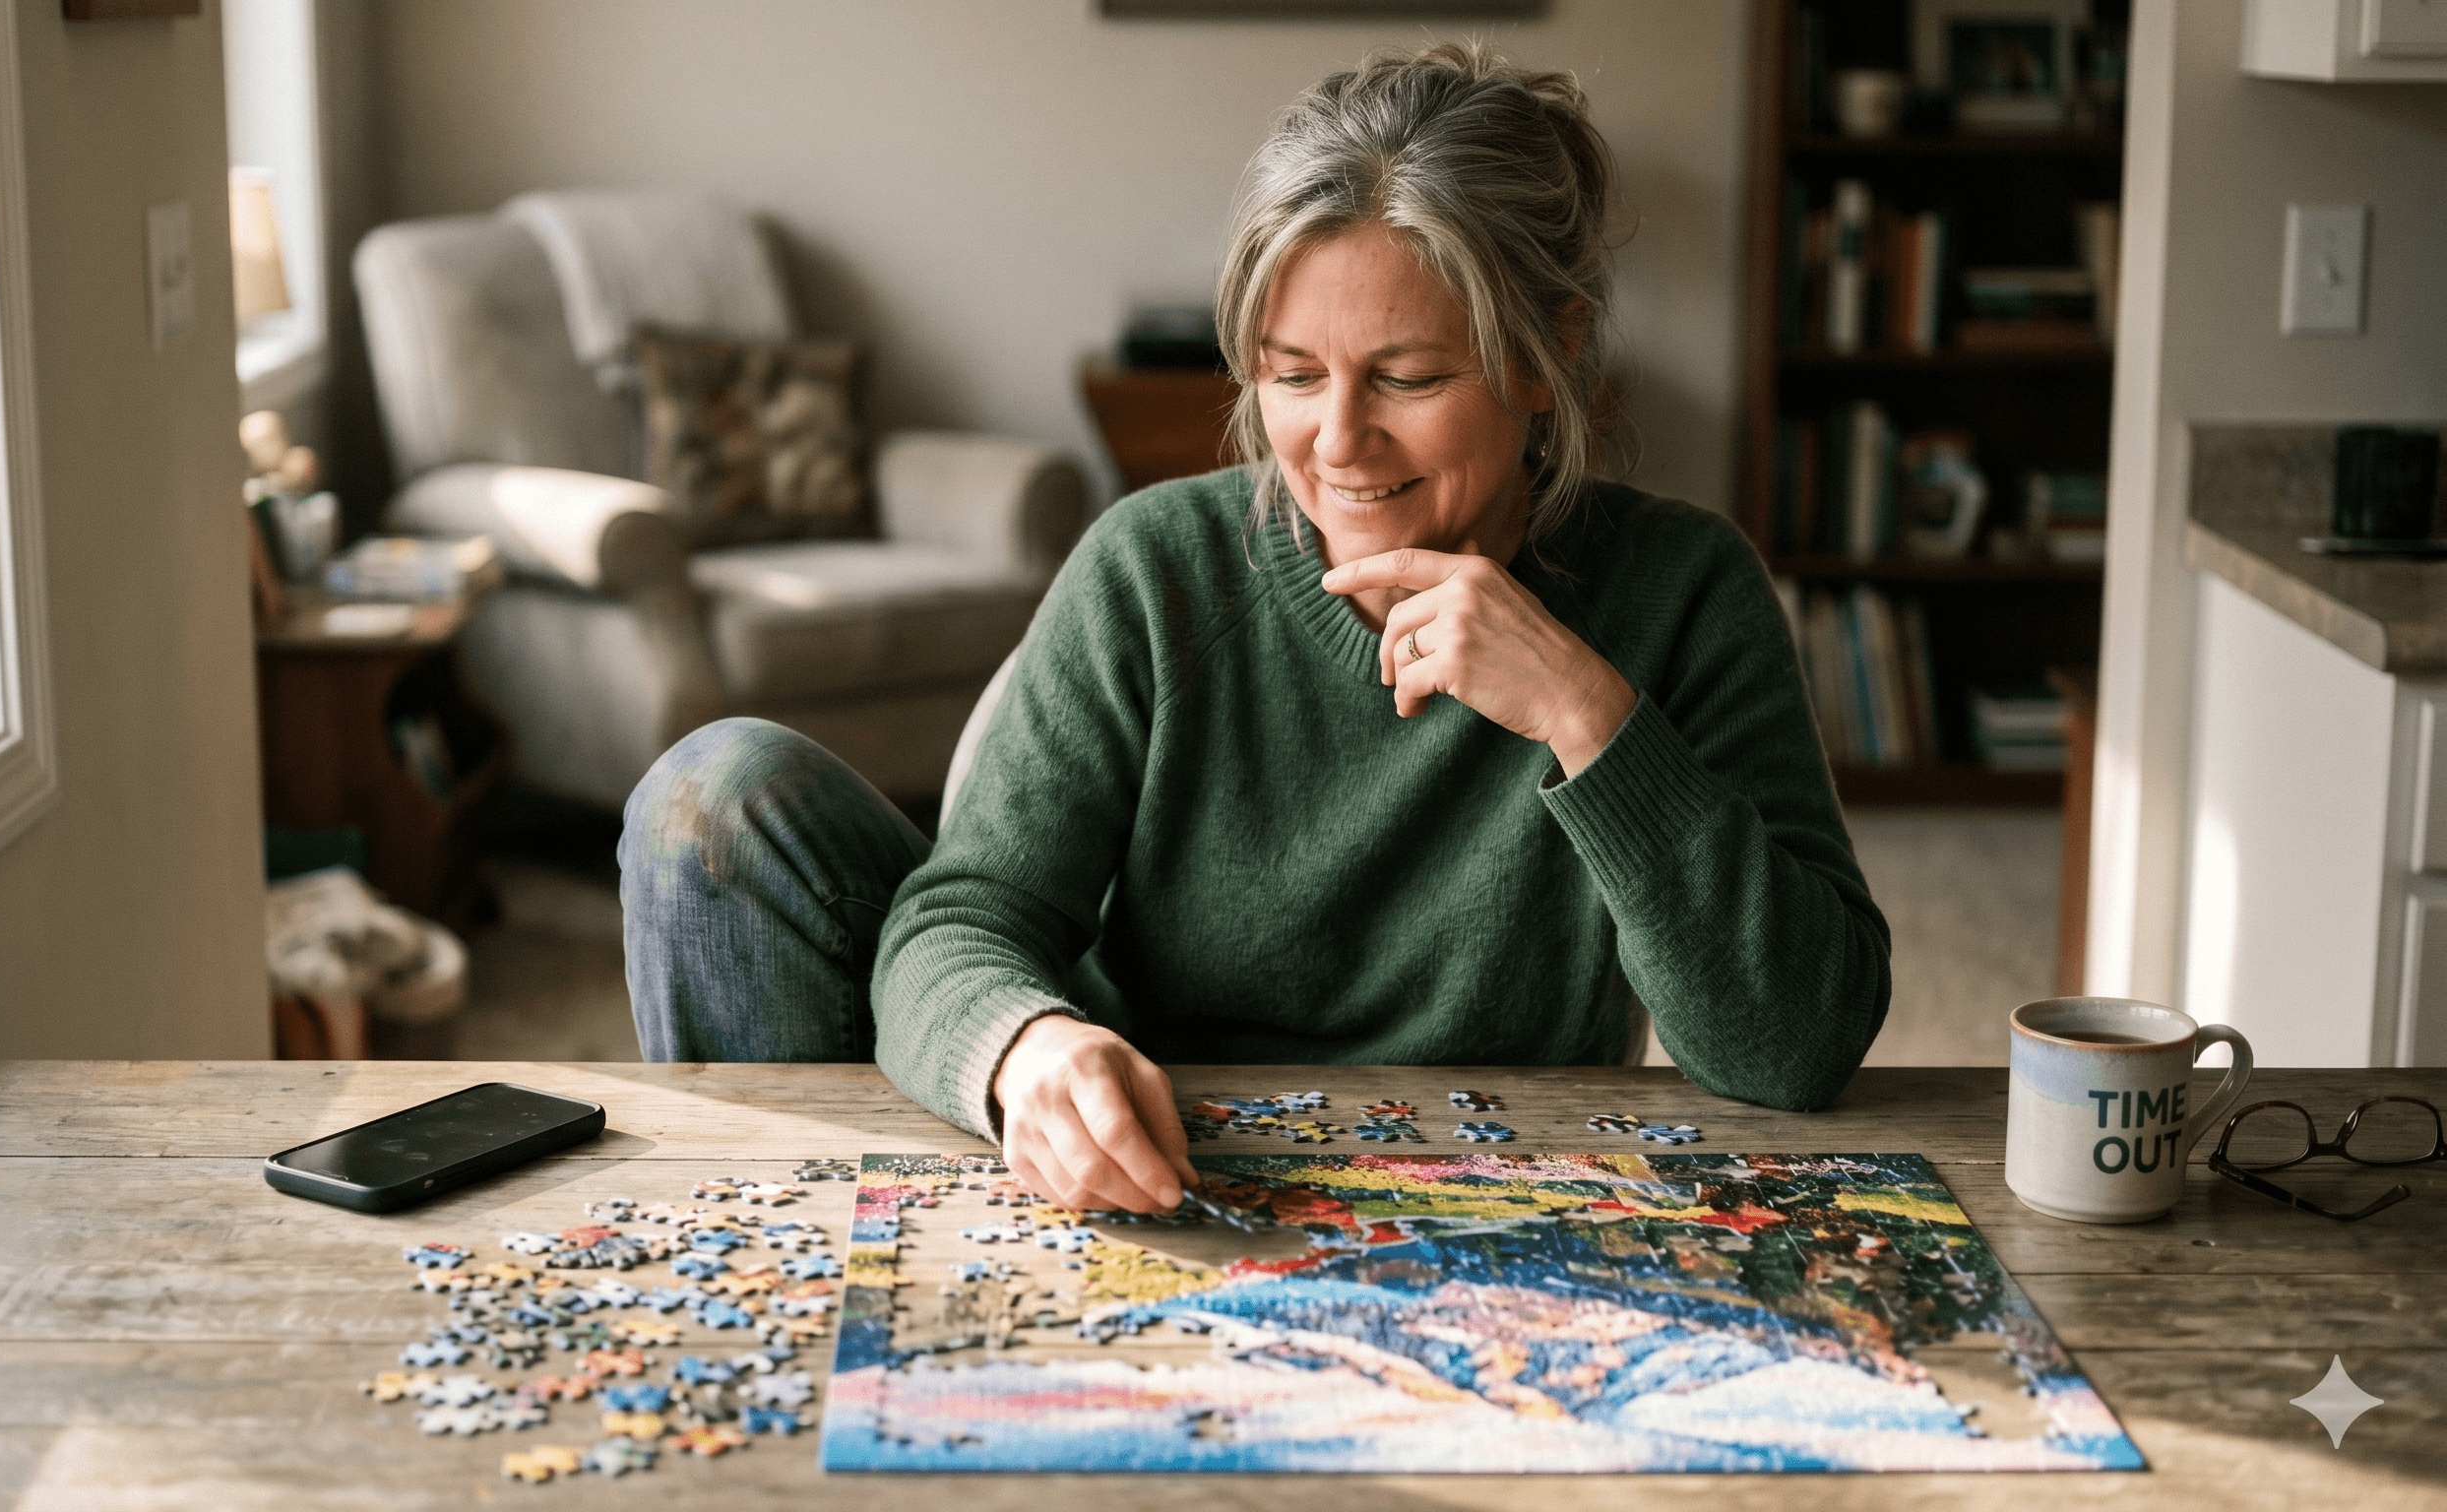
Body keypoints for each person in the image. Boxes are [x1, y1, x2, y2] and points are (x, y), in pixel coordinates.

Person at [620, 43, 1889, 1215]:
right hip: (1149, 1179)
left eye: (1408, 377)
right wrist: (1027, 1049)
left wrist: (1586, 714)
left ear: (1546, 355)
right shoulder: (1154, 565)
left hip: (1494, 1192)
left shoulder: (1687, 591)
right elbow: (958, 921)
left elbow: (1793, 1048)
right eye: (1292, 374)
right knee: (713, 791)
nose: (1337, 443)